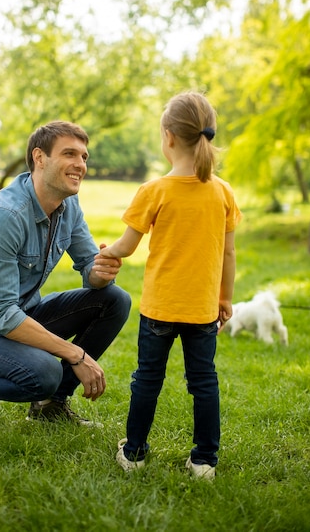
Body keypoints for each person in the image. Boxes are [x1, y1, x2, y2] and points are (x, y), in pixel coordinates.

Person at [0, 120, 131, 430]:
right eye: (70, 154)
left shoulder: (69, 205)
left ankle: (51, 406)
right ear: (40, 158)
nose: (80, 164)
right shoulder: (5, 215)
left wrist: (101, 272)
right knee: (44, 374)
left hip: (19, 314)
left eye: (84, 157)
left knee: (114, 300)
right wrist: (75, 354)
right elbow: (0, 315)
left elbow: (89, 272)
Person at [98, 91, 242, 479]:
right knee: (204, 382)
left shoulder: (154, 191)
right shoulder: (223, 192)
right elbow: (228, 255)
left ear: (169, 137)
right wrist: (224, 299)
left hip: (160, 308)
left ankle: (134, 453)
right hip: (201, 310)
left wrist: (105, 250)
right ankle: (203, 461)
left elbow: (126, 247)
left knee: (147, 379)